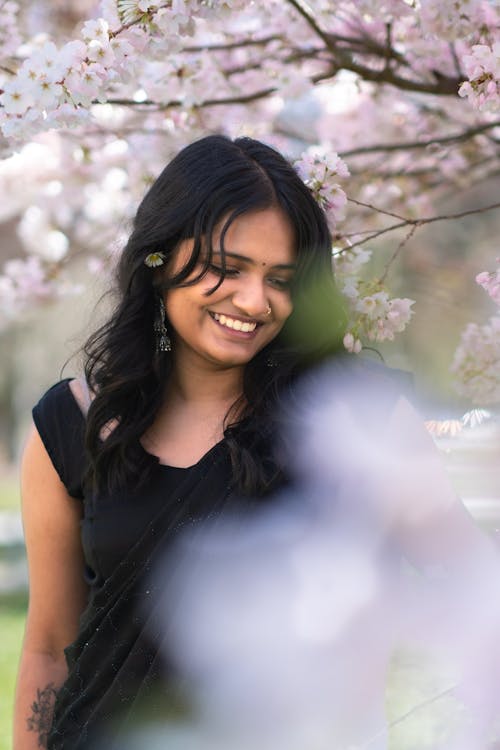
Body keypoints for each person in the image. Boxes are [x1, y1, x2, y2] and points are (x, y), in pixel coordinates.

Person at [13, 134, 347, 750]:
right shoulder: (71, 426)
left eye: (280, 278)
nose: (254, 301)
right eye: (227, 267)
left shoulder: (331, 426)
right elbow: (48, 645)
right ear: (160, 260)